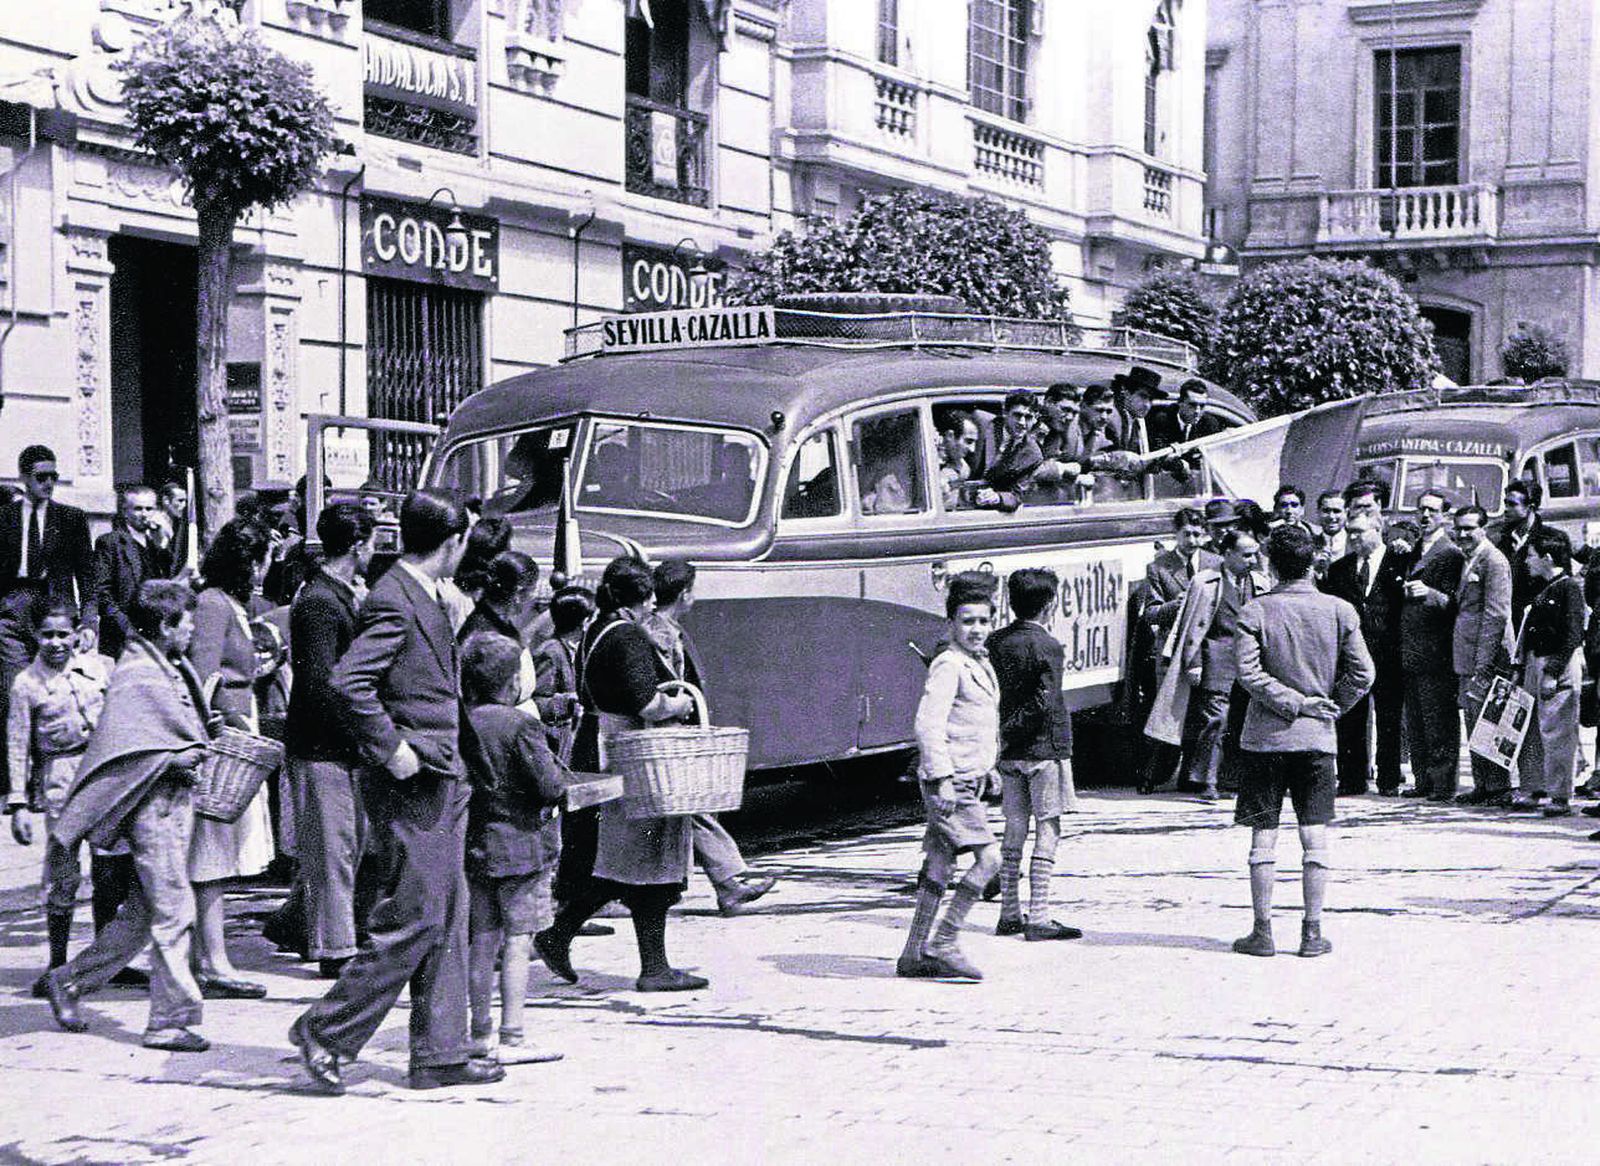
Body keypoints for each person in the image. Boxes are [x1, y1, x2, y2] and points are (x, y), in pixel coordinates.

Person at [290, 489, 504, 1095]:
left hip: (446, 774)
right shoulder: (393, 598)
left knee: (447, 913)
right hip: (416, 779)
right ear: (455, 541)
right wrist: (393, 748)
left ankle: (439, 1053)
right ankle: (327, 1031)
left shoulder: (424, 594)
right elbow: (347, 682)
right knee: (415, 914)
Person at [41, 580, 212, 1051]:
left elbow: (168, 730)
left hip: (175, 806)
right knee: (175, 911)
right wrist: (173, 757)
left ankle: (70, 981)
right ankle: (169, 1020)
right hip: (152, 807)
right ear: (164, 625)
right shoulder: (138, 674)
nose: (192, 627)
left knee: (142, 915)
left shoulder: (167, 667)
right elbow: (128, 747)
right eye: (186, 621)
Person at [533, 556, 705, 993]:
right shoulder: (628, 635)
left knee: (614, 862)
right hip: (630, 753)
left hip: (600, 746)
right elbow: (646, 703)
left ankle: (560, 933)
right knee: (648, 859)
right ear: (644, 597)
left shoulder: (597, 628)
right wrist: (679, 706)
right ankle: (653, 968)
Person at [1230, 527, 1373, 959]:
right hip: (1317, 743)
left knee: (1262, 840)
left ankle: (1262, 932)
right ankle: (1312, 932)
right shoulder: (1340, 610)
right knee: (1316, 839)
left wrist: (1295, 704)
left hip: (1265, 740)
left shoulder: (1254, 612)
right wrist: (1327, 707)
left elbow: (1249, 676)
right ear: (1314, 562)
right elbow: (1363, 674)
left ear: (1271, 563)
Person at [641, 558, 776, 915]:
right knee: (693, 807)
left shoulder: (660, 628)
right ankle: (730, 882)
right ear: (684, 594)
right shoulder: (663, 633)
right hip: (667, 735)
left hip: (668, 734)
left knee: (692, 809)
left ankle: (728, 883)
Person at [460, 632, 566, 1066]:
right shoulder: (522, 725)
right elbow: (551, 785)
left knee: (482, 941)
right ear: (512, 684)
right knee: (519, 942)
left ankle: (479, 1031)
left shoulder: (464, 720)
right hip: (523, 847)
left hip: (478, 845)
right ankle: (514, 1035)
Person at [7, 601, 123, 990]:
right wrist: (19, 802)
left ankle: (105, 961)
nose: (56, 643)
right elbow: (18, 744)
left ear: (76, 633)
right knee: (64, 874)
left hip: (102, 771)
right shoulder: (27, 684)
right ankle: (57, 965)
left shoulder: (98, 668)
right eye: (47, 635)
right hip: (60, 778)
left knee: (110, 867)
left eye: (63, 634)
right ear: (35, 637)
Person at [285, 501, 377, 978]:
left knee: (343, 845)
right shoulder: (320, 602)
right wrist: (359, 734)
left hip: (334, 742)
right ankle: (335, 948)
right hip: (323, 743)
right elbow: (322, 683)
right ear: (358, 546)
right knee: (334, 850)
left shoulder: (335, 595)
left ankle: (301, 928)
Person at [896, 579, 1003, 981]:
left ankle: (912, 954)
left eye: (984, 621)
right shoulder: (948, 664)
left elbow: (975, 723)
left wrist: (987, 767)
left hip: (969, 777)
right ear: (951, 623)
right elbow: (928, 725)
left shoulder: (978, 661)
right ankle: (944, 939)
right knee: (990, 860)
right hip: (951, 782)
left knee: (940, 864)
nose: (977, 629)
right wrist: (942, 779)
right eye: (967, 621)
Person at [187, 521, 275, 999]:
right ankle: (213, 959)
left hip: (244, 721)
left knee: (218, 852)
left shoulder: (232, 605)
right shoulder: (213, 604)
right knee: (213, 851)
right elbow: (203, 676)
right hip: (227, 737)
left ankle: (209, 955)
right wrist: (216, 728)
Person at [0, 445, 97, 811]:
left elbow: (87, 576)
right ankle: (15, 788)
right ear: (24, 478)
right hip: (12, 609)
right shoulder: (5, 517)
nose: (49, 483)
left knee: (52, 697)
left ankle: (44, 786)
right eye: (42, 477)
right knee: (14, 696)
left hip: (55, 612)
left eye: (54, 476)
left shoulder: (71, 518)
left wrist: (88, 620)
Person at [987, 568, 1081, 942]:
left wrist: (1001, 733)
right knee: (1048, 826)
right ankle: (1039, 914)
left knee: (1013, 828)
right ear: (1049, 604)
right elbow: (1044, 702)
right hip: (1046, 748)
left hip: (1009, 755)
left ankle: (1009, 911)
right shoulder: (1049, 646)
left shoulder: (996, 641)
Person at [1145, 529, 1267, 801]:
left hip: (1248, 663)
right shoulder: (1205, 583)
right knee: (1215, 721)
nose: (1252, 560)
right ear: (1227, 554)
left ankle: (1230, 778)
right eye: (1246, 555)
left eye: (1255, 555)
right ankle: (1207, 780)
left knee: (1240, 721)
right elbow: (1192, 629)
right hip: (1215, 662)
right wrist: (1194, 663)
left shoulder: (1258, 582)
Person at [1321, 513, 1408, 796]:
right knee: (1350, 718)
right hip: (1352, 656)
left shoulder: (1401, 562)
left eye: (1359, 531)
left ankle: (1389, 780)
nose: (1353, 537)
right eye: (1350, 532)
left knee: (1389, 718)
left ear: (1378, 529)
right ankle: (1351, 778)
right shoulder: (1340, 569)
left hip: (1389, 653)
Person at [1138, 508, 1220, 793]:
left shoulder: (1216, 563)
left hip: (1207, 649)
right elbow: (1150, 613)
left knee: (1206, 715)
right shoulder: (1159, 567)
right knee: (1169, 713)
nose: (1193, 541)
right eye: (1187, 534)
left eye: (1198, 534)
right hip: (1172, 652)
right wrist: (1178, 604)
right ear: (1176, 534)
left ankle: (1195, 776)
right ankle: (1152, 775)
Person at [1511, 528, 1585, 817]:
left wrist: (1553, 671)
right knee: (1531, 732)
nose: (1528, 562)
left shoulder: (1568, 588)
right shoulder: (1544, 588)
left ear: (1548, 557)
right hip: (1534, 664)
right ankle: (1533, 787)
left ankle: (1560, 796)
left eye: (1531, 556)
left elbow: (1572, 634)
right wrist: (1520, 667)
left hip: (1556, 665)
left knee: (1557, 733)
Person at [1399, 491, 1465, 801]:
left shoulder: (1450, 552)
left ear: (1445, 516)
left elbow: (1456, 603)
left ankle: (1442, 783)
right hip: (1413, 650)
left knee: (1438, 719)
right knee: (1416, 720)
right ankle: (1424, 779)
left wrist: (1429, 592)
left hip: (1436, 651)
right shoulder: (1416, 548)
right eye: (1421, 509)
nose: (1425, 515)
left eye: (1432, 510)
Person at [1449, 505, 1515, 807]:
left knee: (1490, 720)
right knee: (1474, 720)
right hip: (1466, 654)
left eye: (1469, 528)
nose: (1463, 534)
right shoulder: (1468, 558)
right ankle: (1482, 785)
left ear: (1483, 529)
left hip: (1485, 656)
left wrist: (1483, 665)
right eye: (1459, 528)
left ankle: (1498, 786)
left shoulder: (1493, 561)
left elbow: (1496, 616)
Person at [92, 484, 169, 660]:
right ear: (125, 511)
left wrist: (161, 545)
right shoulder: (111, 542)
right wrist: (127, 629)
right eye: (138, 509)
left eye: (149, 509)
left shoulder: (156, 545)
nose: (144, 514)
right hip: (122, 635)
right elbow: (102, 592)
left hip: (153, 634)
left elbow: (168, 583)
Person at [532, 585, 593, 764]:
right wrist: (569, 700)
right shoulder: (551, 652)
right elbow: (538, 701)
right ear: (584, 622)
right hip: (555, 745)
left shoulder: (572, 649)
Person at [1495, 477, 1545, 631]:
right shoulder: (1499, 538)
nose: (1506, 509)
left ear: (1530, 507)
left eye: (1512, 504)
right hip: (1505, 619)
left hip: (1536, 623)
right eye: (1505, 503)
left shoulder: (1550, 539)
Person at [1148, 379, 1225, 449]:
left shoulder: (1209, 424)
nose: (1197, 411)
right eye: (1192, 405)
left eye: (1202, 406)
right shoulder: (1162, 420)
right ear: (1180, 403)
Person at [1315, 491, 1349, 568]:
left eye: (1336, 511)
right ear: (1318, 512)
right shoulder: (1309, 545)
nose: (1331, 516)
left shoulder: (1355, 545)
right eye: (1326, 511)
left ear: (1346, 513)